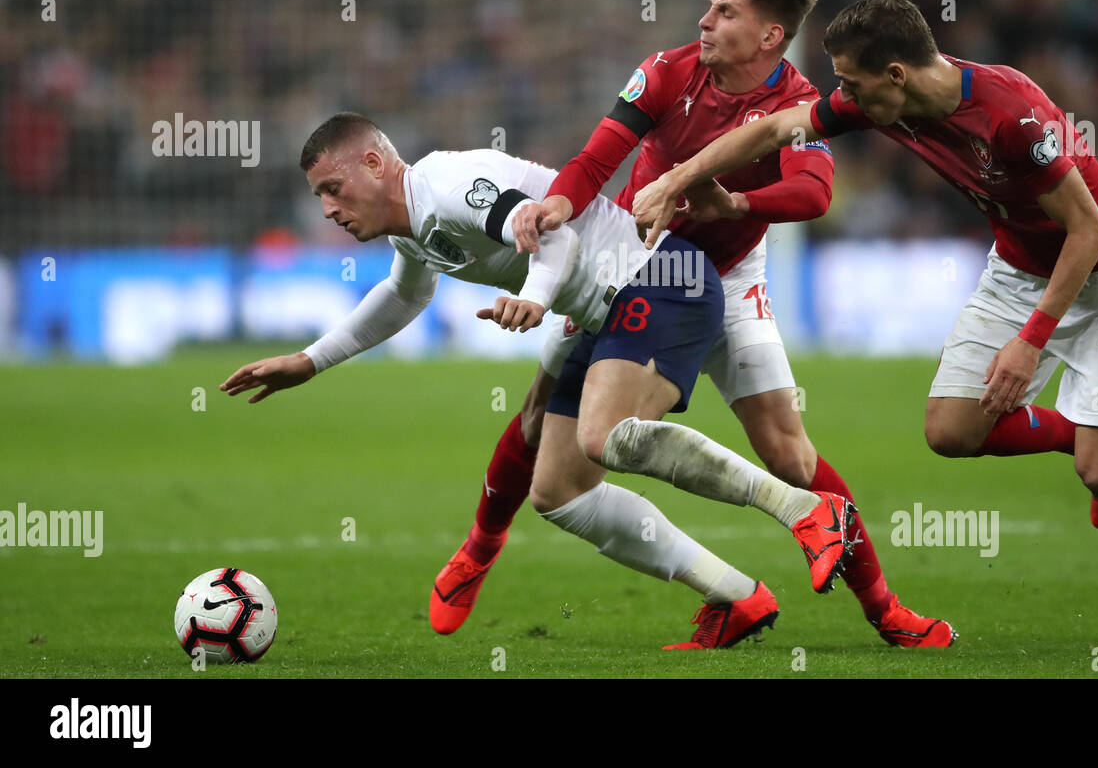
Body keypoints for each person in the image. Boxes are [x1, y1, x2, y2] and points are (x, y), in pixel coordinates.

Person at [634, 0, 1098, 653]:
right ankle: (1089, 433)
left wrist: (1029, 342)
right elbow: (774, 129)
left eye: (853, 83)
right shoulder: (881, 102)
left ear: (895, 74)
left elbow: (1088, 229)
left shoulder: (1012, 113)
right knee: (950, 431)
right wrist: (680, 179)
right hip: (1018, 269)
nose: (845, 96)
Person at [432, 0, 954, 649]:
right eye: (710, 6)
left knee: (791, 456)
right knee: (537, 417)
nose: (704, 20)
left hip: (731, 277)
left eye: (725, 12)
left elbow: (815, 194)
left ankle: (885, 608)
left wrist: (735, 201)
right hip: (629, 264)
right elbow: (596, 158)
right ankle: (478, 548)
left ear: (771, 35)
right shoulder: (668, 70)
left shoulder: (794, 105)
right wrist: (560, 201)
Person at [220, 113, 856, 649]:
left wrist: (533, 297)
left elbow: (553, 241)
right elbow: (402, 296)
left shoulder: (450, 186)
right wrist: (309, 362)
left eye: (333, 188)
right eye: (319, 197)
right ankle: (737, 597)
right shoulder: (413, 230)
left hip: (662, 280)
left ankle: (806, 511)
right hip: (606, 312)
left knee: (606, 437)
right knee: (557, 494)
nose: (328, 209)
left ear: (373, 162)